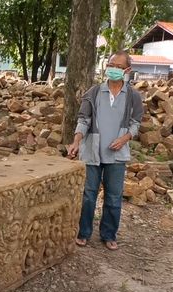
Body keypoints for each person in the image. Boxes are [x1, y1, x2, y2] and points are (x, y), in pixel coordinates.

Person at [66, 51, 143, 250]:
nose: (113, 69)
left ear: (127, 70)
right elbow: (84, 121)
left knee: (114, 196)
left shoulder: (133, 96)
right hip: (92, 152)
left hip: (117, 155)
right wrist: (76, 142)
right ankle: (83, 232)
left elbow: (135, 124)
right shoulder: (93, 93)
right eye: (111, 65)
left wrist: (125, 138)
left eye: (118, 66)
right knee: (88, 195)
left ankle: (109, 234)